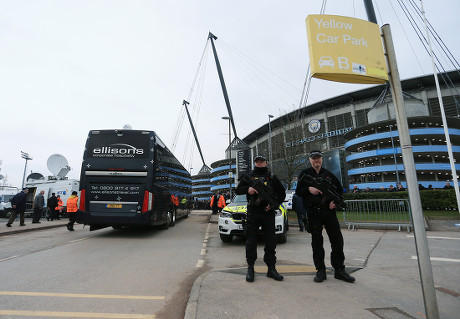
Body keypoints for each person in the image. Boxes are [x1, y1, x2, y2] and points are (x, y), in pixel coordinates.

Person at [296, 150, 355, 283]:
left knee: (337, 241)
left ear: (322, 160)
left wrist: (335, 202)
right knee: (317, 242)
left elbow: (339, 191)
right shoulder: (304, 174)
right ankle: (320, 270)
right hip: (313, 213)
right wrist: (308, 189)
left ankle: (339, 270)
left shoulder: (329, 175)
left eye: (318, 158)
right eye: (314, 158)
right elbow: (298, 191)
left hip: (329, 212)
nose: (316, 160)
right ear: (310, 160)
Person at [236, 155, 286, 282]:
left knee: (270, 241)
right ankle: (251, 268)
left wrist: (274, 205)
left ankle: (271, 268)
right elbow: (238, 190)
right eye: (257, 162)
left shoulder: (272, 177)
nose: (259, 163)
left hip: (268, 213)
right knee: (251, 241)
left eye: (261, 161)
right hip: (253, 212)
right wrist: (249, 189)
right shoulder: (249, 176)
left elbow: (282, 193)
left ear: (266, 163)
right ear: (255, 163)